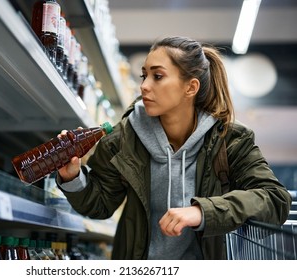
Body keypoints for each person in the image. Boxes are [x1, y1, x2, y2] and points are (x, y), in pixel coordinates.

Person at [56, 36, 292, 260]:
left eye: (157, 76)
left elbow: (274, 199)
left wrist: (204, 211)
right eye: (143, 75)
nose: (144, 86)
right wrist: (73, 177)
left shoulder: (230, 139)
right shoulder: (124, 138)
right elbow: (100, 204)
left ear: (190, 88)